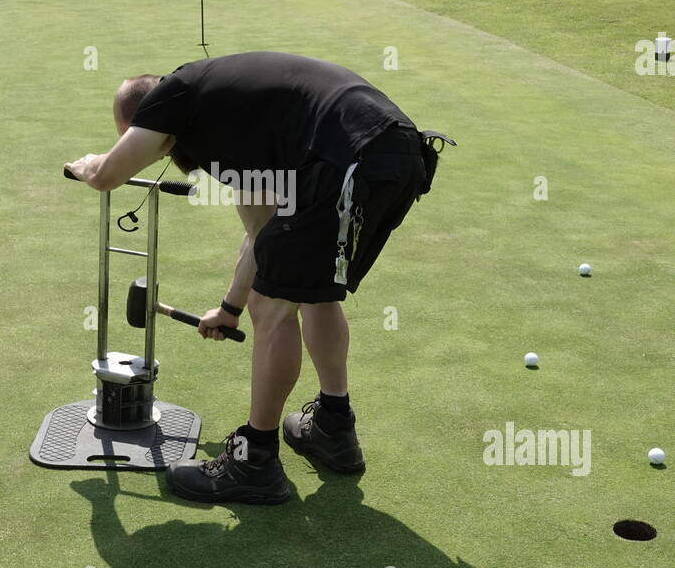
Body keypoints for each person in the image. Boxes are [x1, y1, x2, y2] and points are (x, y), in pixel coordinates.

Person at [65, 52, 451, 506]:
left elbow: (109, 175)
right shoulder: (232, 122)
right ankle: (332, 426)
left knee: (271, 306)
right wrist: (229, 309)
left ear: (138, 124)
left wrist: (91, 163)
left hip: (349, 159)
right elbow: (262, 232)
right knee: (312, 293)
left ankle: (255, 461)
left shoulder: (172, 98)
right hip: (391, 154)